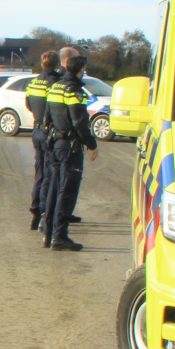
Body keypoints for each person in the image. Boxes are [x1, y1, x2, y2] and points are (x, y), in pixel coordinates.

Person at [42, 46, 99, 250]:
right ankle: (60, 237)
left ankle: (48, 233)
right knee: (66, 192)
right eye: (84, 69)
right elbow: (79, 122)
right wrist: (91, 145)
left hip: (55, 144)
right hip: (70, 147)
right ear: (80, 69)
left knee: (54, 190)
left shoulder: (55, 87)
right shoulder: (74, 91)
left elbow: (47, 117)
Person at [25, 51, 59, 229]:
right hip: (48, 131)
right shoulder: (53, 82)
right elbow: (54, 107)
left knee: (39, 172)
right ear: (57, 63)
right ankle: (44, 212)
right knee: (48, 174)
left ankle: (34, 209)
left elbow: (28, 103)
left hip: (36, 129)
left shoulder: (33, 82)